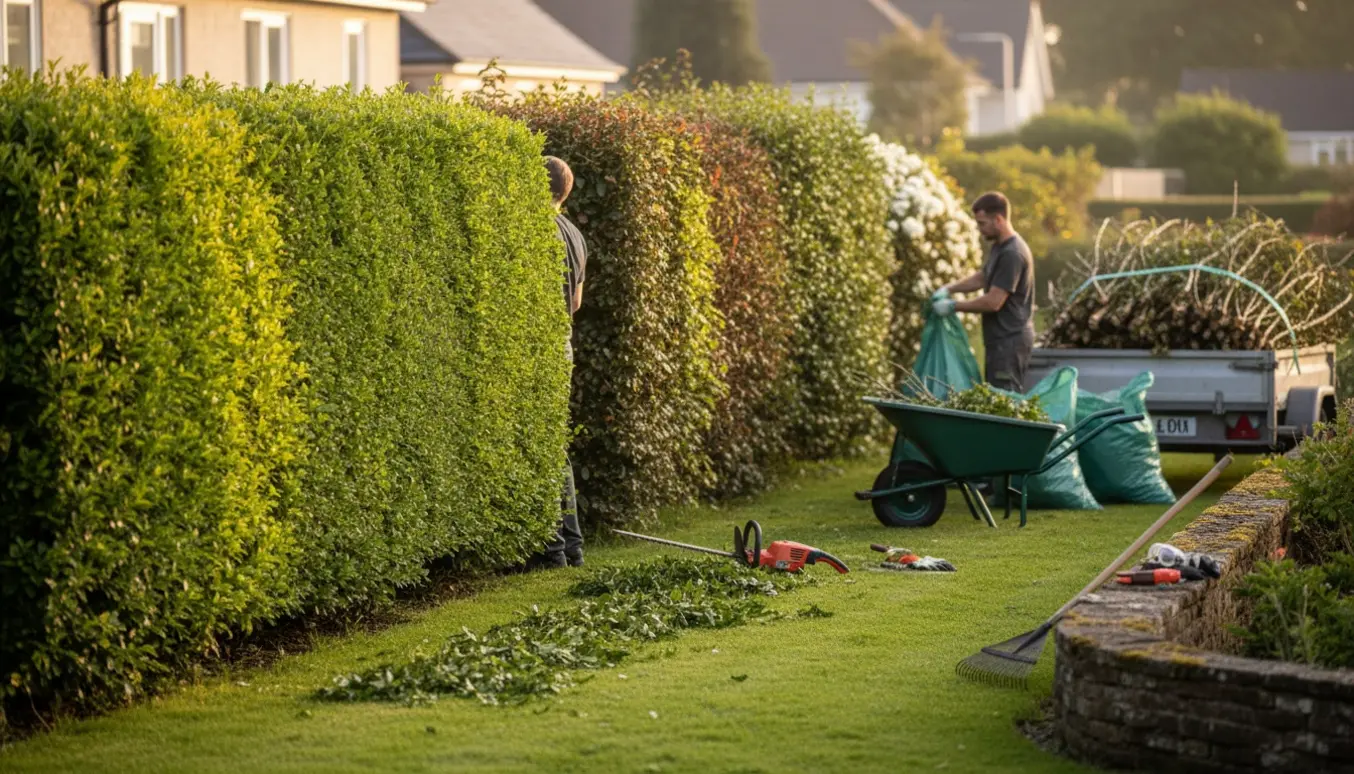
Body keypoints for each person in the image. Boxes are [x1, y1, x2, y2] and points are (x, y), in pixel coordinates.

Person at [932, 191, 1035, 393]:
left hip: (1010, 341)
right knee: (995, 395)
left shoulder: (1012, 253)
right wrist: (949, 289)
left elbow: (993, 302)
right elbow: (983, 277)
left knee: (1005, 399)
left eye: (982, 223)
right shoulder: (1000, 247)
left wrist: (953, 306)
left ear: (998, 220)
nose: (980, 229)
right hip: (999, 340)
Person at [542, 156, 586, 569]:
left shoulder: (537, 230)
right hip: (564, 344)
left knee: (542, 443)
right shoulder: (574, 234)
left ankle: (553, 548)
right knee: (555, 443)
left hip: (540, 347)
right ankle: (571, 545)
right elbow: (575, 302)